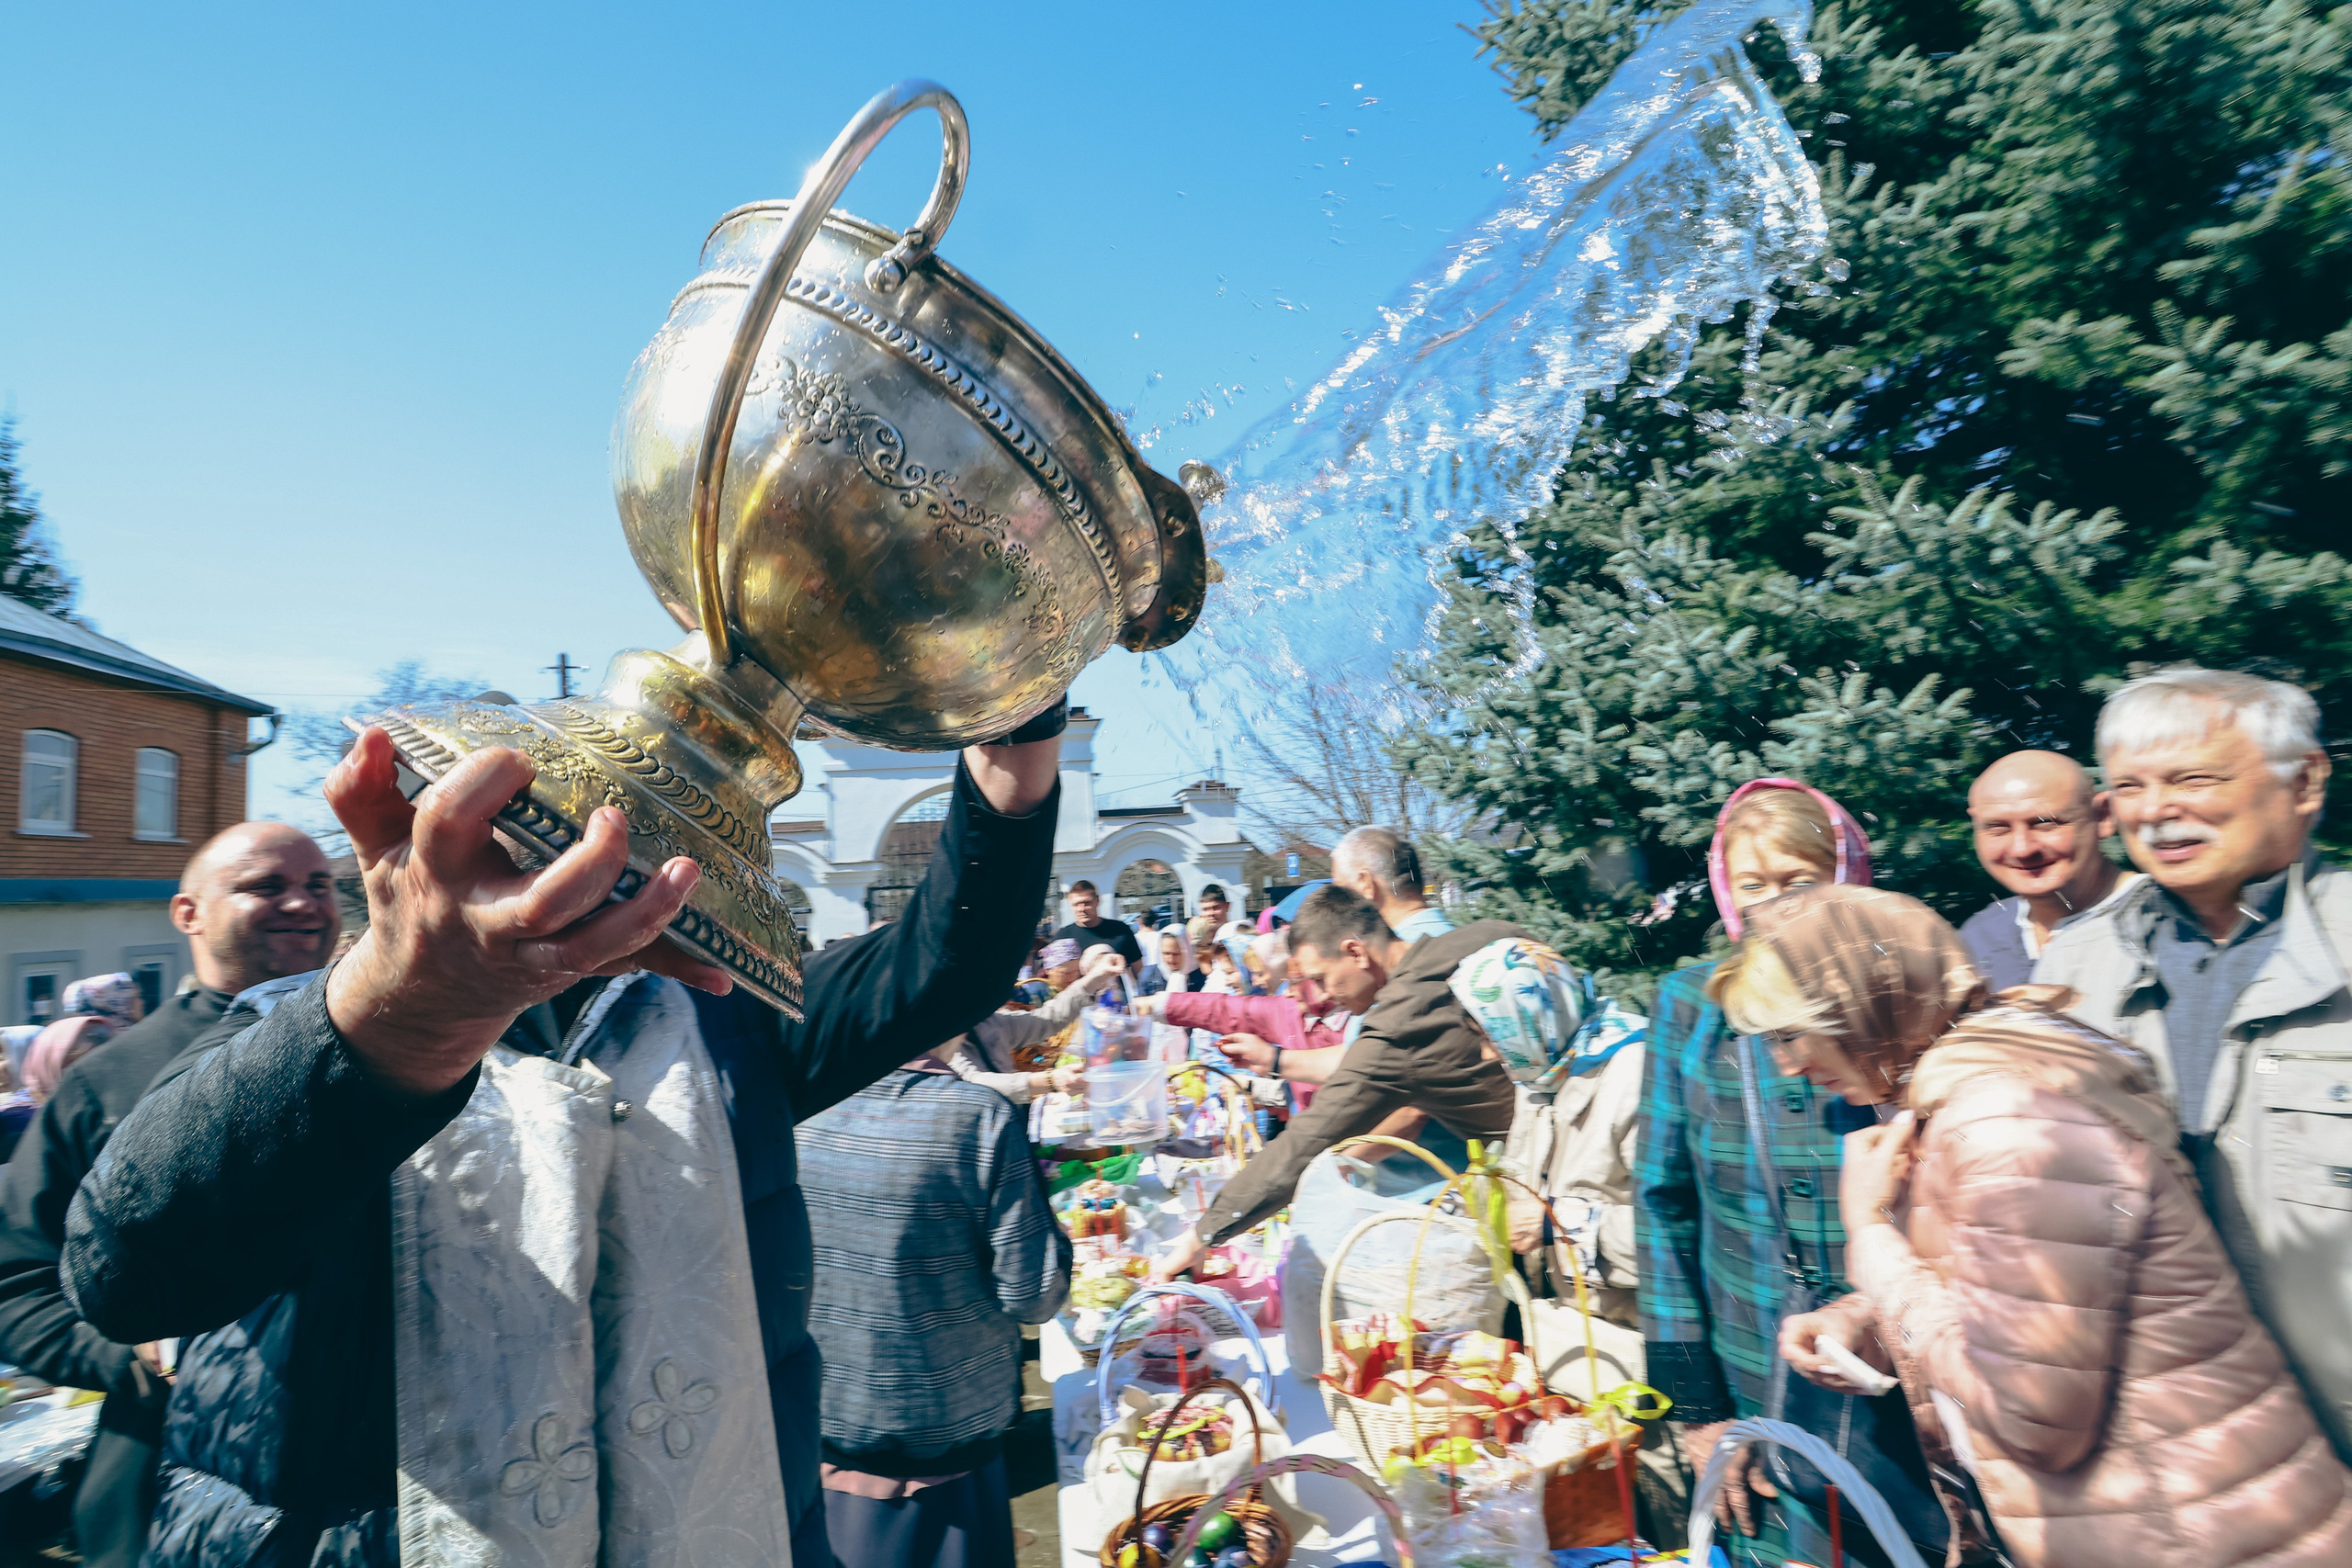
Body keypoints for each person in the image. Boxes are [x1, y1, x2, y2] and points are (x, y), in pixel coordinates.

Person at [60, 712, 1065, 1565]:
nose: (550, 874)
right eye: (516, 837)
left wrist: (1012, 741)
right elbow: (127, 1276)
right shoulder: (312, 1030)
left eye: (590, 844)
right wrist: (406, 1016)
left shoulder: (715, 1015)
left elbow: (945, 967)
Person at [1715, 885, 2352, 1568]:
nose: (1788, 1066)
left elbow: (2034, 1416)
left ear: (1865, 1002)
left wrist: (1870, 1235)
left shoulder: (2008, 1121)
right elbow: (2023, 1298)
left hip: (2198, 1533)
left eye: (1789, 1033)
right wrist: (1866, 1322)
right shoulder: (1963, 1091)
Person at [0, 823, 338, 1568]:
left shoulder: (387, 1050)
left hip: (371, 1485)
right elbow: (15, 1278)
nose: (302, 903)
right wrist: (135, 1357)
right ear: (188, 913)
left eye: (319, 884)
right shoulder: (107, 1080)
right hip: (163, 1490)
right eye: (265, 885)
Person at [2035, 666, 2352, 1460]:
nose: (2154, 810)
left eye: (2192, 778)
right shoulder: (2073, 971)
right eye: (2129, 786)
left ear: (2305, 779)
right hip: (2166, 1444)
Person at [1634, 778, 1949, 1566]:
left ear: (1843, 875)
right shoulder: (1691, 1004)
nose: (1775, 905)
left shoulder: (1898, 990)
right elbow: (1662, 1200)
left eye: (1798, 881)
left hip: (1888, 1360)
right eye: (1755, 885)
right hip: (1752, 1366)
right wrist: (1698, 1409)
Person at [1150, 885, 1520, 1280]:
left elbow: (1310, 1137)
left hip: (1532, 1201)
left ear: (1355, 952)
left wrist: (1202, 1236)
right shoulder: (1488, 934)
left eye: (1322, 978)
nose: (1325, 995)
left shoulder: (1400, 1023)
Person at [797, 1039, 1070, 1568]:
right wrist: (1051, 1233)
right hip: (947, 1457)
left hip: (826, 1433)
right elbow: (1033, 1295)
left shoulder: (800, 1104)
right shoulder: (974, 1115)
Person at [1957, 750, 2134, 990]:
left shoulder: (2164, 923)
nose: (2022, 849)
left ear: (2103, 817)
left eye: (2045, 824)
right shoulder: (1979, 937)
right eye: (1998, 828)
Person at [946, 947, 1124, 1105]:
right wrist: (1050, 1081)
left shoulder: (987, 1022)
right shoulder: (939, 1039)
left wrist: (1094, 978)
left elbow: (1046, 1019)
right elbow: (975, 1083)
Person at [1331, 825, 1453, 943]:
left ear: (1366, 885)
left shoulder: (1398, 956)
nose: (1337, 901)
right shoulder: (1456, 938)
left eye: (1341, 889)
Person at [1052, 879, 1142, 966]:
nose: (1082, 909)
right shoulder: (1063, 937)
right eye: (1076, 904)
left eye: (1087, 903)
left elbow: (1138, 970)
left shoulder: (1120, 930)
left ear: (1097, 900)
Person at [1136, 927, 1205, 996]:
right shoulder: (1149, 976)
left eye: (1176, 954)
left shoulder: (1201, 976)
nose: (1171, 959)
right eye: (1166, 954)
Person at [1185, 884, 1231, 950]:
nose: (1211, 913)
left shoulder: (1236, 937)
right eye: (1205, 909)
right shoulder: (1196, 943)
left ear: (1227, 906)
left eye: (1216, 908)